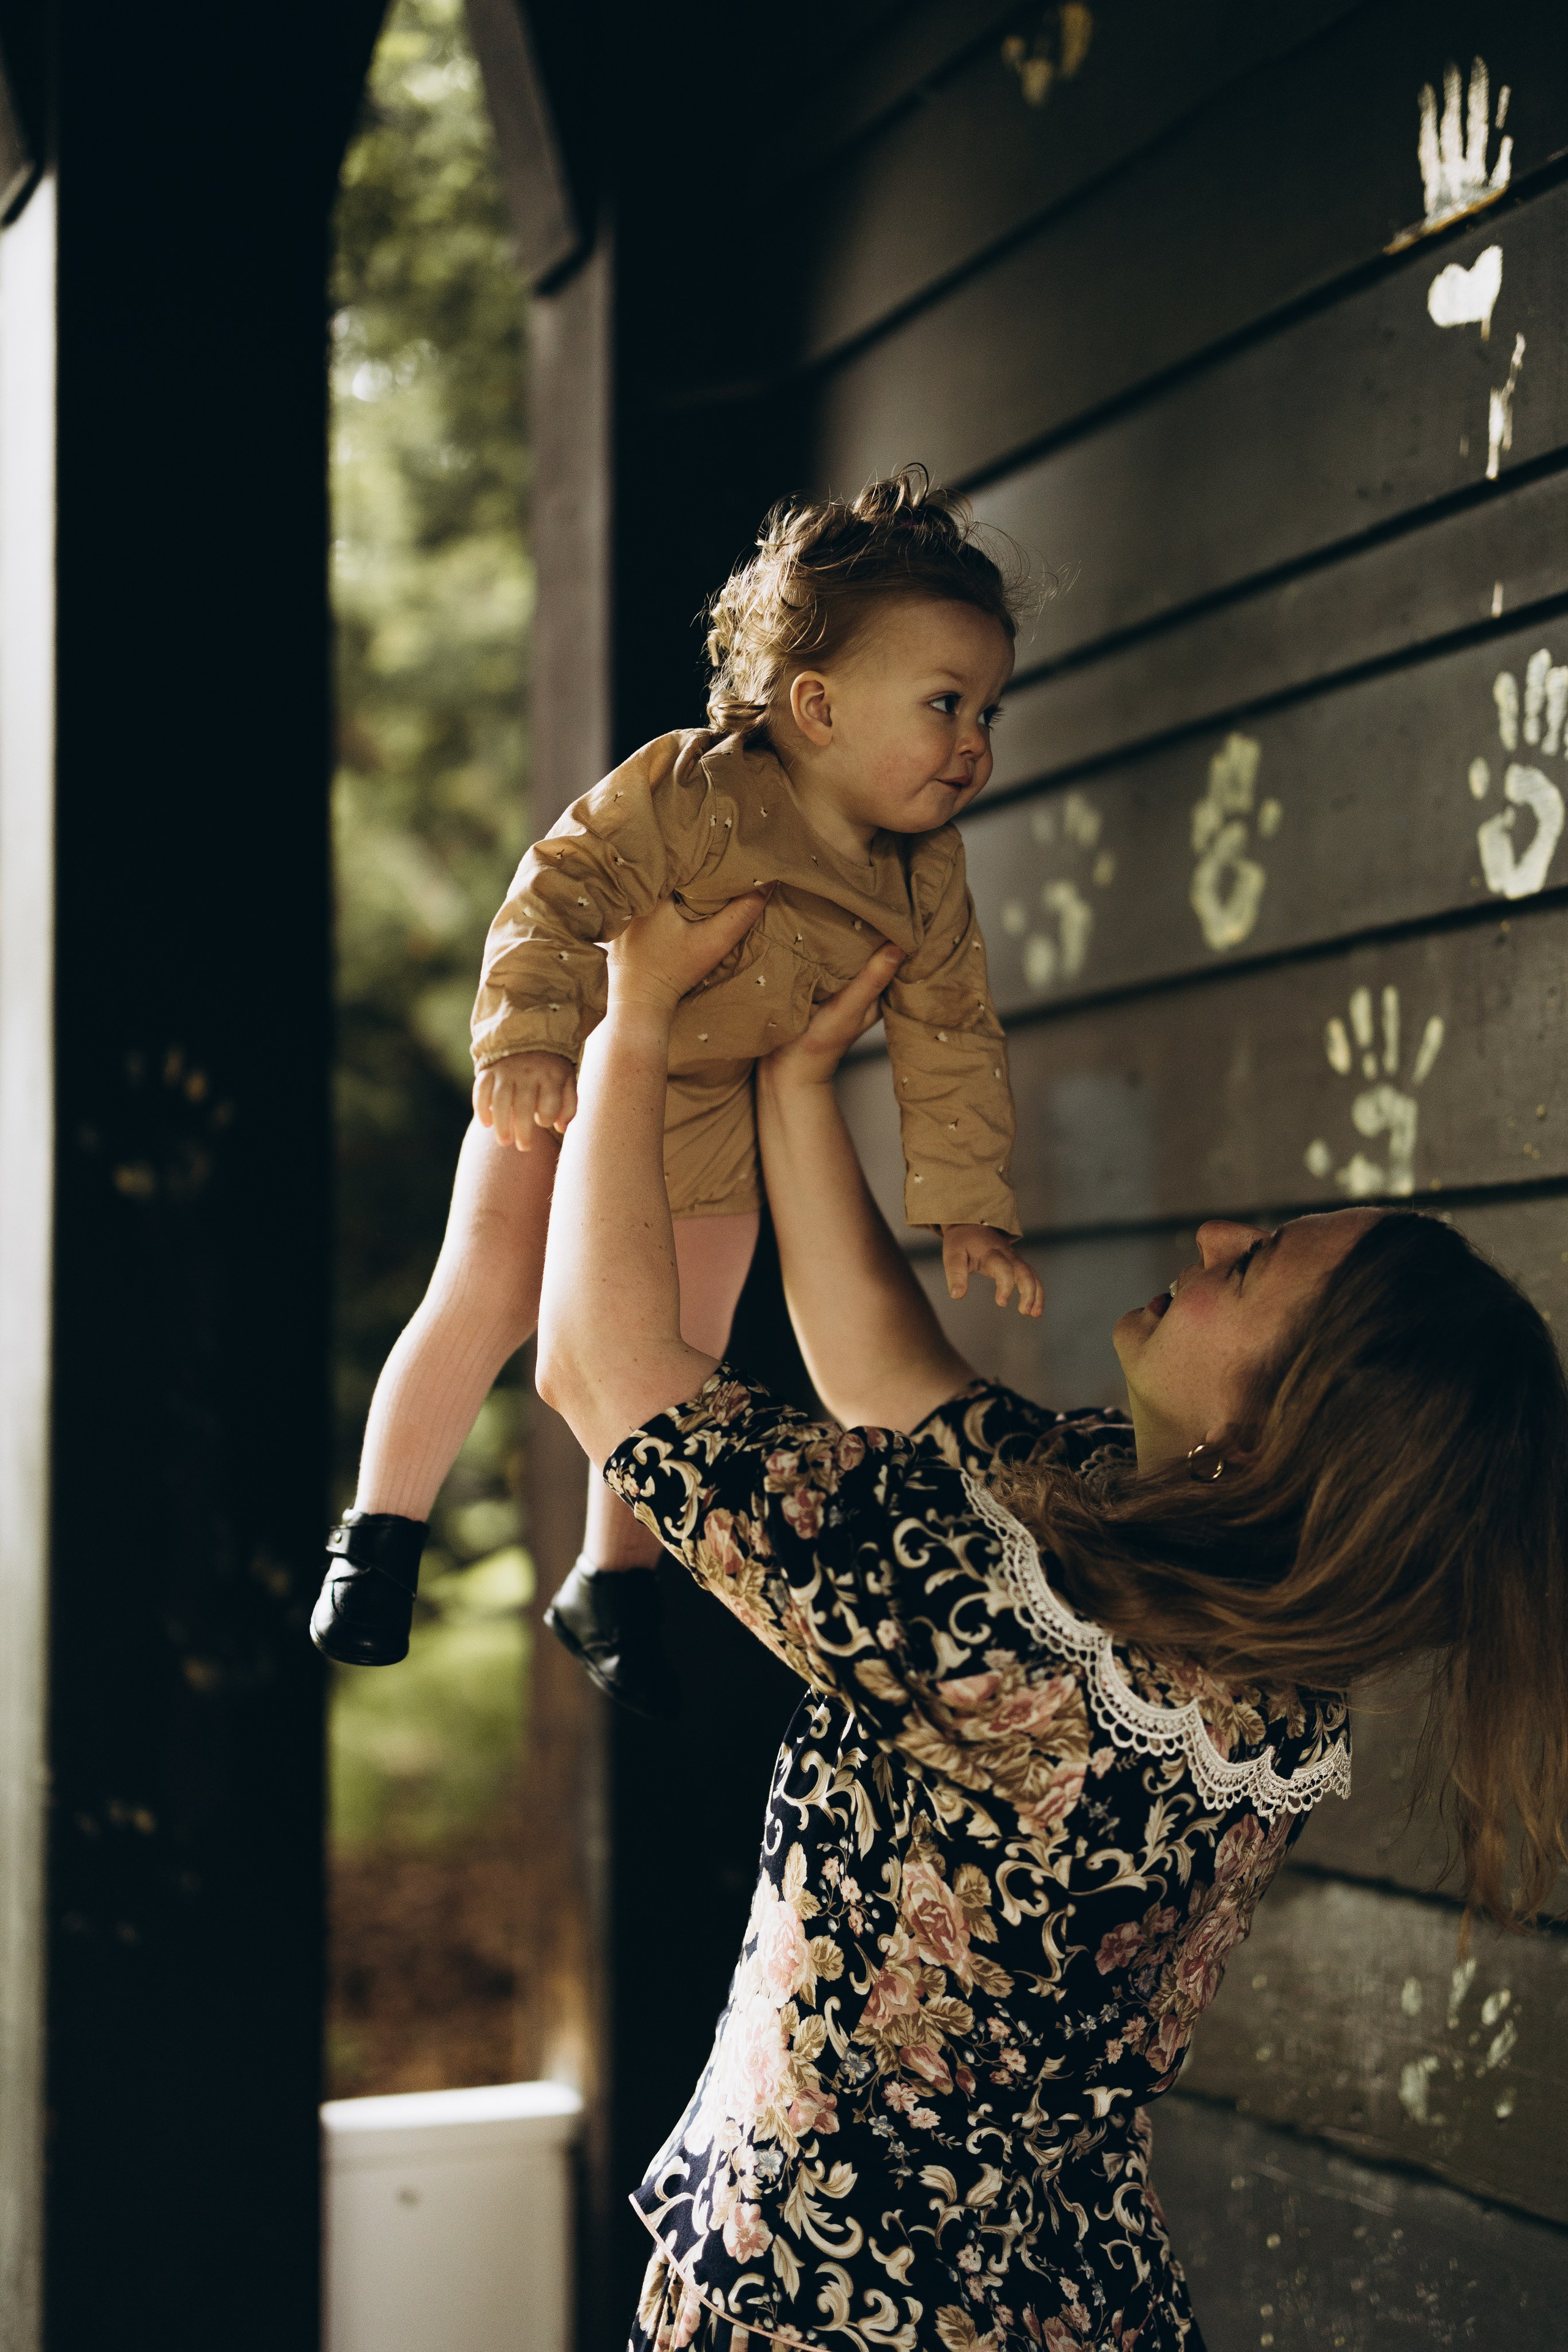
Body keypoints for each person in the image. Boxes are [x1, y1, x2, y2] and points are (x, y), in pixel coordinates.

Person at [535, 891, 1568, 2352]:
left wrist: (630, 1022)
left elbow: (601, 1368)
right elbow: (885, 1378)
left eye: (1254, 1261)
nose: (1213, 1232)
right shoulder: (1205, 1606)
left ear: (1289, 1430)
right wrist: (794, 1082)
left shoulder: (1034, 1654)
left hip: (830, 2324)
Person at [310, 466, 1044, 1706]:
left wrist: (967, 1198)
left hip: (710, 1124)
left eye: (988, 712)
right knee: (487, 1286)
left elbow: (949, 1027)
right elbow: (555, 894)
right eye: (944, 704)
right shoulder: (688, 790)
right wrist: (530, 1037)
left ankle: (610, 1577)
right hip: (583, 1072)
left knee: (678, 1355)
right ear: (815, 704)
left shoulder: (923, 873)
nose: (972, 745)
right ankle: (378, 1536)